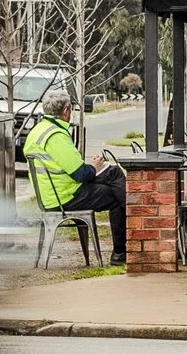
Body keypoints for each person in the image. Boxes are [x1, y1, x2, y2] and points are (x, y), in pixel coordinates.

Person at [25, 92, 126, 261]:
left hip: (51, 194)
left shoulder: (38, 130)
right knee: (115, 189)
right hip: (66, 195)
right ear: (66, 110)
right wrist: (95, 166)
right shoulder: (55, 135)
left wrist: (93, 168)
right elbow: (80, 174)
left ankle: (123, 248)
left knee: (113, 176)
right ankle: (123, 246)